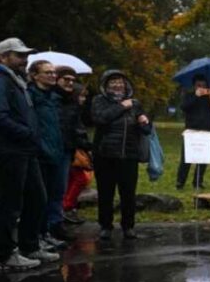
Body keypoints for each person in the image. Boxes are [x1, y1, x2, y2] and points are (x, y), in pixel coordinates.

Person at [0, 38, 58, 270]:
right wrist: (26, 133)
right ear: (4, 57)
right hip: (11, 151)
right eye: (19, 55)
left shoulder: (17, 79)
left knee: (37, 198)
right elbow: (1, 117)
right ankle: (5, 254)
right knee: (10, 204)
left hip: (25, 149)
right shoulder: (2, 80)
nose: (25, 59)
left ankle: (30, 245)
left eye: (25, 55)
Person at [91, 69, 151, 240]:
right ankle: (105, 226)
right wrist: (121, 106)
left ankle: (128, 226)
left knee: (128, 194)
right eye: (113, 82)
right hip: (105, 154)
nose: (117, 85)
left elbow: (146, 129)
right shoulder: (99, 101)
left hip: (129, 155)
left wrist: (145, 122)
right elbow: (100, 119)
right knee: (105, 192)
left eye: (120, 82)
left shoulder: (135, 103)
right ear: (106, 85)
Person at [28, 61, 72, 247]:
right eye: (47, 72)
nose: (53, 76)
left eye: (54, 72)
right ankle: (36, 235)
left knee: (54, 193)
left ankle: (45, 233)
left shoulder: (54, 98)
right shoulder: (31, 97)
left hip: (56, 152)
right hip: (40, 154)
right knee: (38, 198)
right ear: (34, 75)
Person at [175, 75, 210, 190]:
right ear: (194, 86)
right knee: (186, 159)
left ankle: (198, 181)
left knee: (203, 159)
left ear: (207, 85)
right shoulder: (189, 96)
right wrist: (195, 97)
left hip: (206, 132)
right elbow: (184, 107)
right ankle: (180, 182)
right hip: (191, 131)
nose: (201, 87)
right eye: (198, 85)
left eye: (203, 85)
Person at [63, 83, 93, 225]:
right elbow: (75, 132)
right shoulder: (72, 111)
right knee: (80, 178)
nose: (84, 99)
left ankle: (69, 206)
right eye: (81, 96)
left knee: (72, 179)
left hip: (76, 149)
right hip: (75, 150)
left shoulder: (78, 111)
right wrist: (86, 145)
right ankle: (67, 206)